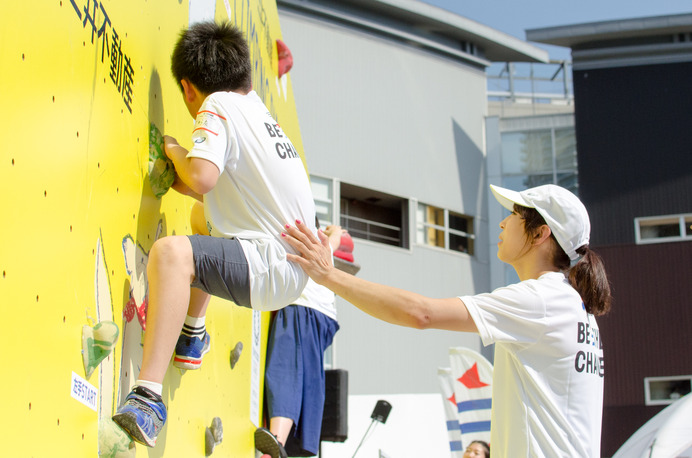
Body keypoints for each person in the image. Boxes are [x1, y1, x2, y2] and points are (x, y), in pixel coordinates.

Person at [282, 184, 611, 457]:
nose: (502, 223)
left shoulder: (542, 299)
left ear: (540, 233)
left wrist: (328, 274)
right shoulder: (572, 306)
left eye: (513, 214)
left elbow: (421, 313)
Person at [112, 21, 316, 451]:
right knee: (202, 219)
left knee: (171, 255)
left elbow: (201, 175)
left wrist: (172, 150)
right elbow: (207, 189)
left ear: (188, 89)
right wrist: (183, 171)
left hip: (270, 266)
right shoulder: (257, 113)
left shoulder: (216, 106)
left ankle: (147, 399)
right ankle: (192, 333)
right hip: (288, 269)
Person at [258, 222, 345, 458]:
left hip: (304, 308)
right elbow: (336, 237)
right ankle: (283, 442)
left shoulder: (308, 238)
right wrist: (334, 231)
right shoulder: (324, 247)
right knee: (308, 380)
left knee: (285, 372)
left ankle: (276, 442)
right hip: (322, 316)